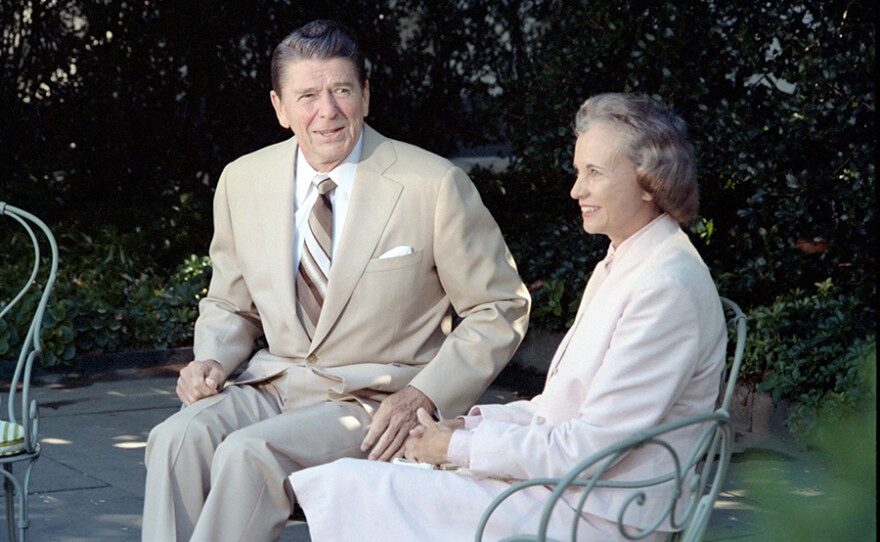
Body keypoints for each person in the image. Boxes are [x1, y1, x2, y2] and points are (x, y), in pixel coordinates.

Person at [141, 19, 530, 542]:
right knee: (176, 438)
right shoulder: (243, 180)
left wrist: (426, 394)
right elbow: (231, 304)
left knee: (248, 453)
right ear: (279, 107)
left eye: (341, 90)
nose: (327, 110)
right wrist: (210, 359)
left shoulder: (433, 184)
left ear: (365, 96)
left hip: (375, 403)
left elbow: (499, 306)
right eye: (306, 95)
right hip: (274, 385)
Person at [288, 93, 728, 541]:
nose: (577, 190)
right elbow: (559, 411)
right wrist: (467, 427)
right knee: (366, 478)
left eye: (594, 173)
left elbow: (591, 447)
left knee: (354, 483)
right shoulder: (631, 259)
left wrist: (457, 447)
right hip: (572, 493)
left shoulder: (664, 286)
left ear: (649, 182)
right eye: (578, 172)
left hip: (599, 515)